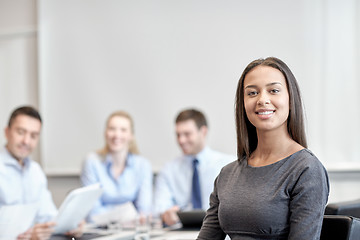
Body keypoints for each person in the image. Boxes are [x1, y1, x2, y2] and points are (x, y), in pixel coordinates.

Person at [197, 57, 329, 240]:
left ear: (291, 99)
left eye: (273, 90)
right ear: (242, 103)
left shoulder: (306, 169)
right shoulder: (227, 174)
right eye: (252, 93)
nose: (262, 100)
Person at [0, 106, 82, 240]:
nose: (26, 141)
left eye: (33, 135)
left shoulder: (35, 171)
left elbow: (48, 216)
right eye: (21, 132)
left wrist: (70, 225)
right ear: (7, 132)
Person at [154, 109, 234, 226]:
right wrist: (166, 214)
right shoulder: (169, 170)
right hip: (180, 233)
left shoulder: (227, 165)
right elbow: (160, 206)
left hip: (218, 231)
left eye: (187, 134)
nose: (181, 140)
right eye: (178, 135)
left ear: (203, 132)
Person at [81, 111, 153, 221]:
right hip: (99, 231)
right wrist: (126, 215)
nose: (117, 135)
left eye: (123, 130)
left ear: (131, 136)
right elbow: (93, 213)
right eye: (112, 129)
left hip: (132, 230)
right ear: (105, 133)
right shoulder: (92, 162)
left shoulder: (142, 165)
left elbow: (144, 210)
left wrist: (110, 214)